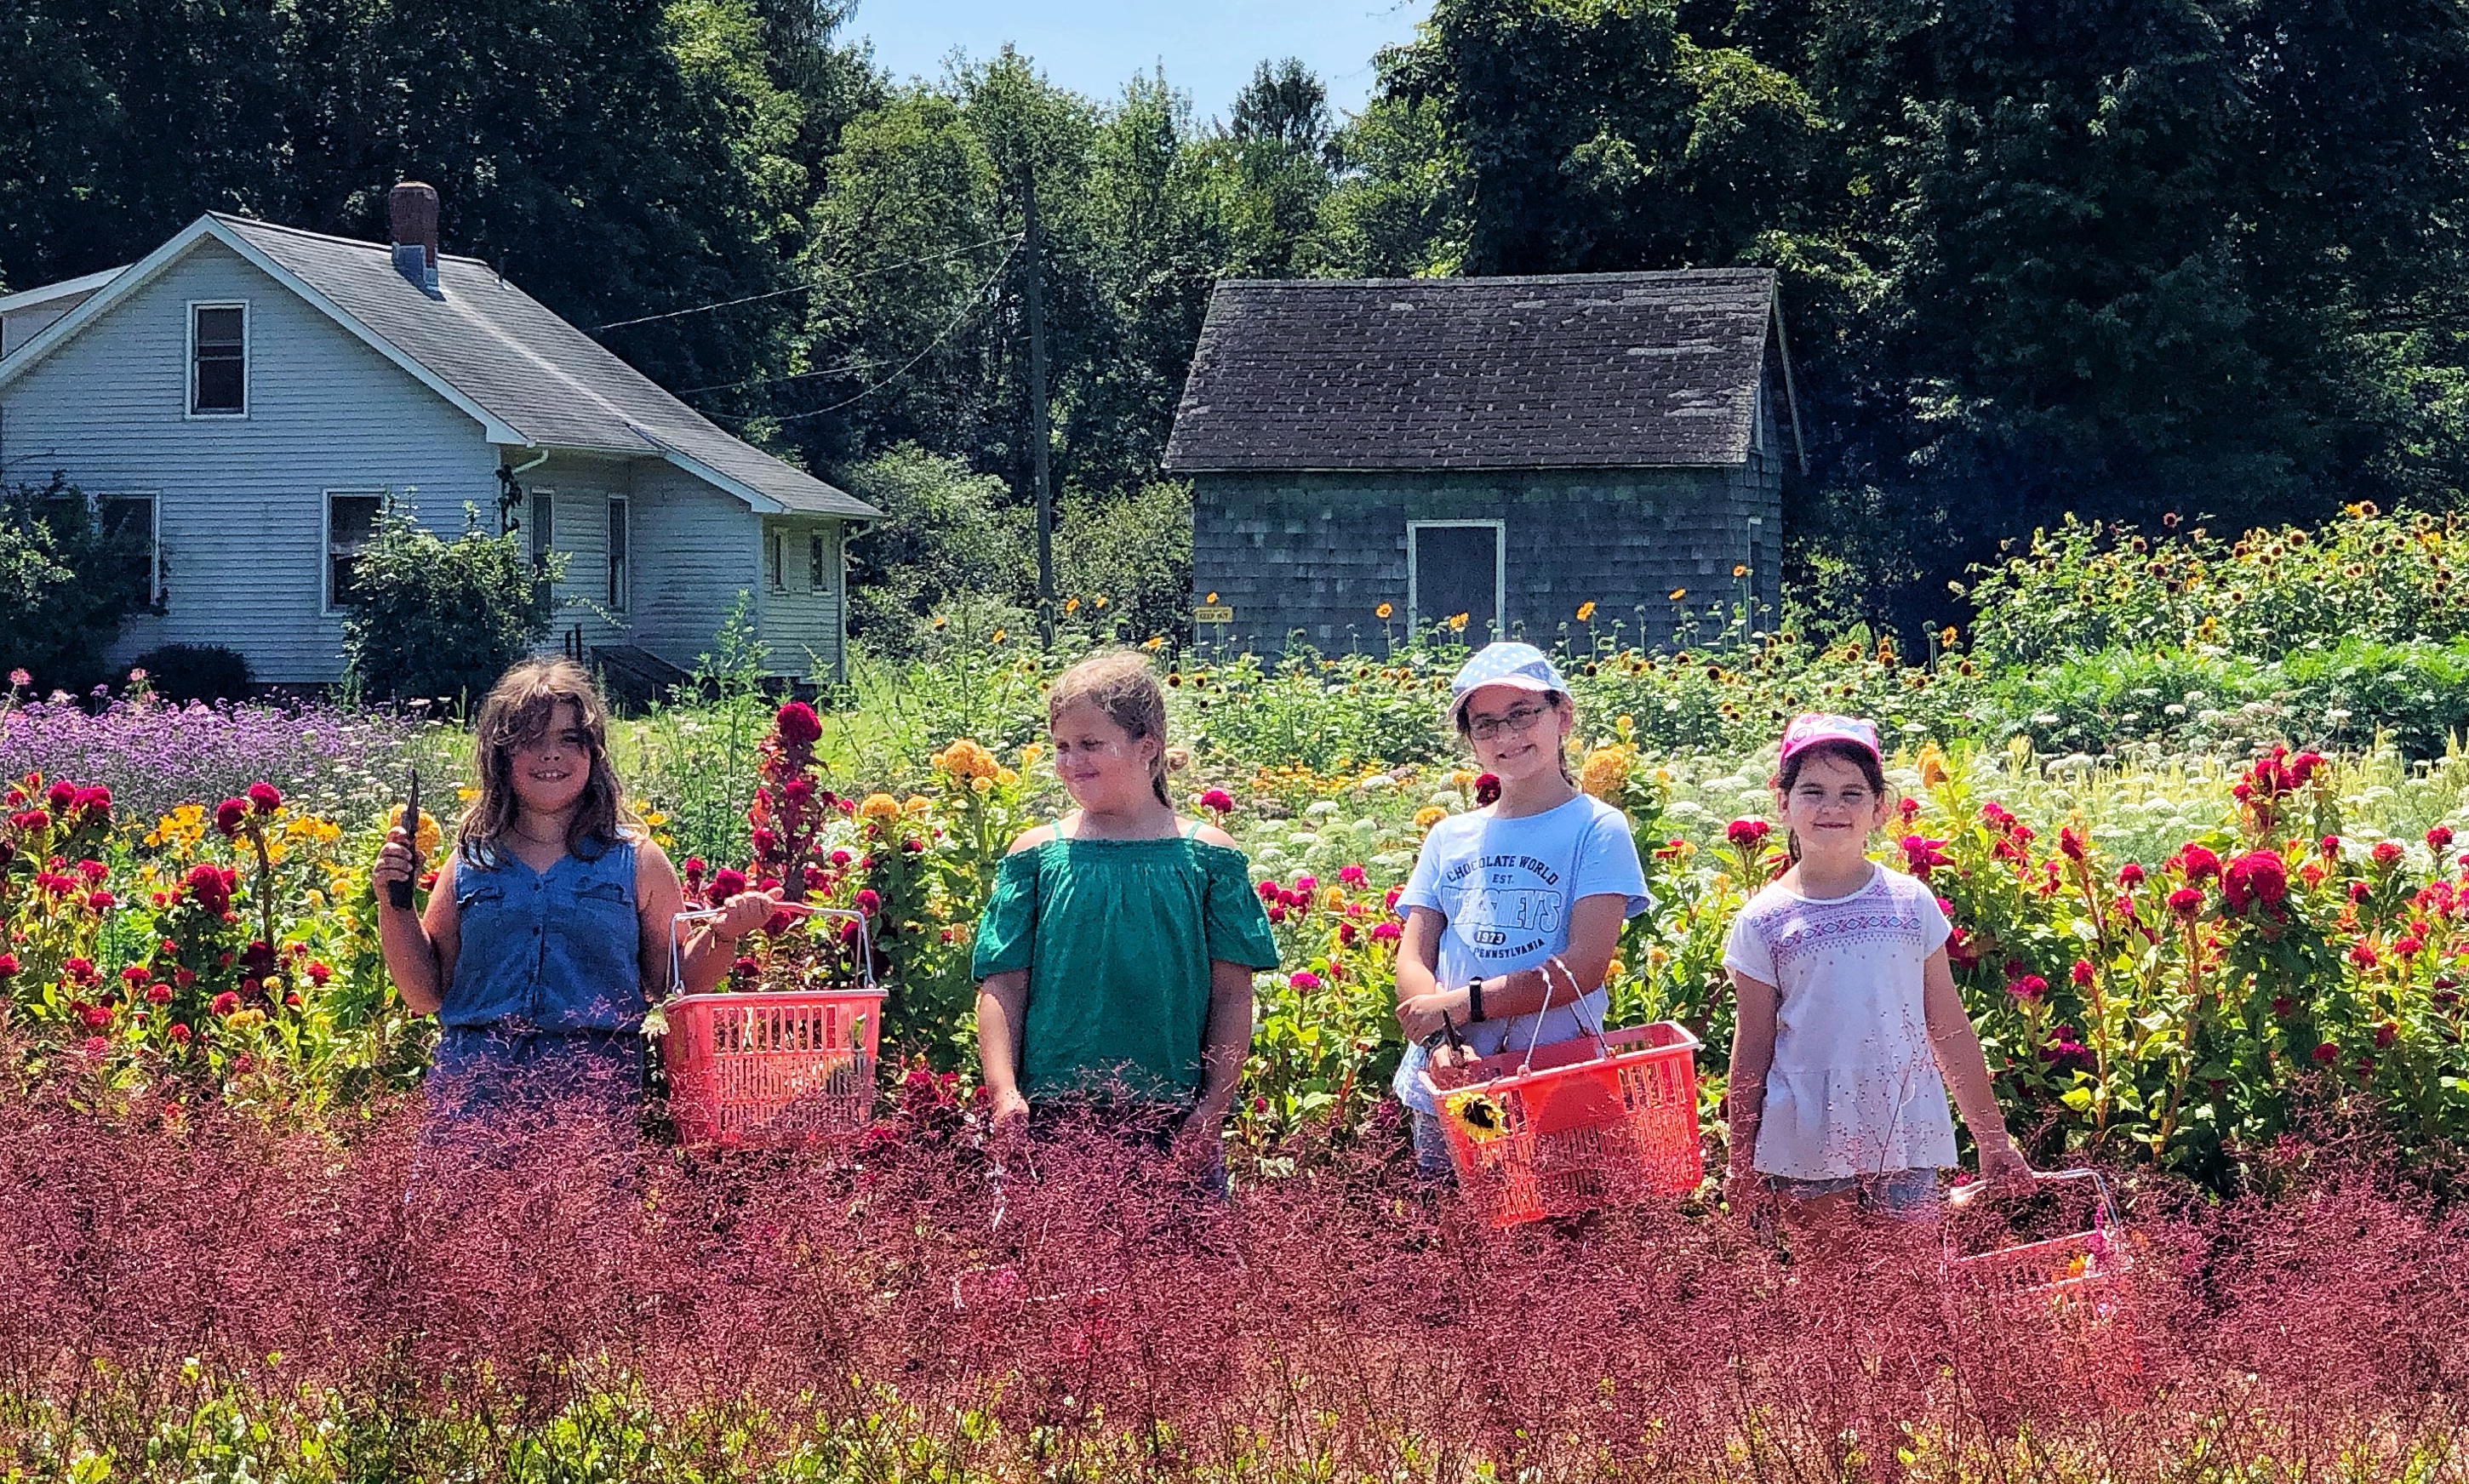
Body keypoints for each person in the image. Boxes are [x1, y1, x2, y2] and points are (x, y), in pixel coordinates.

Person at [374, 658, 775, 1126]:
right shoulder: (471, 861)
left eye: (569, 739)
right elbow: (424, 994)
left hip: (592, 1104)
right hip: (471, 1103)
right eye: (532, 740)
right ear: (501, 754)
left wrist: (723, 934)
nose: (551, 755)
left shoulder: (638, 861)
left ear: (593, 753)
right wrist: (392, 903)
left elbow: (673, 984)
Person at [1721, 713, 2032, 1242]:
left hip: (1905, 1131)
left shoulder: (1910, 904)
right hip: (1808, 1139)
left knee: (1913, 1290)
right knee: (1834, 1293)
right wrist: (1740, 1163)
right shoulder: (1764, 921)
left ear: (1879, 807)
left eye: (1851, 793)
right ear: (1783, 803)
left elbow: (1949, 1028)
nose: (1832, 808)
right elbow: (1753, 1047)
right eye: (1813, 791)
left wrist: (1992, 1138)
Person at [972, 650, 1278, 1173]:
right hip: (1049, 1115)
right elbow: (1002, 987)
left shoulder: (1207, 857)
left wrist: (1211, 1111)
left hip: (1176, 1118)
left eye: (1092, 744)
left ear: (1147, 747)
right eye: (1062, 747)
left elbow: (1231, 996)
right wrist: (1004, 1095)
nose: (1072, 761)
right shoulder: (1035, 856)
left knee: (1180, 1253)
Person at [1390, 642, 1652, 1179]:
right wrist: (1441, 1039)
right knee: (1462, 1231)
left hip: (1554, 1076)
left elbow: (1584, 967)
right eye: (1485, 725)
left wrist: (1462, 1005)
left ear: (1563, 718)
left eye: (1522, 715)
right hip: (1457, 1080)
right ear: (1471, 743)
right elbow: (1414, 955)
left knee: (1559, 1237)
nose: (1507, 737)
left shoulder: (1596, 828)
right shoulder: (1449, 837)